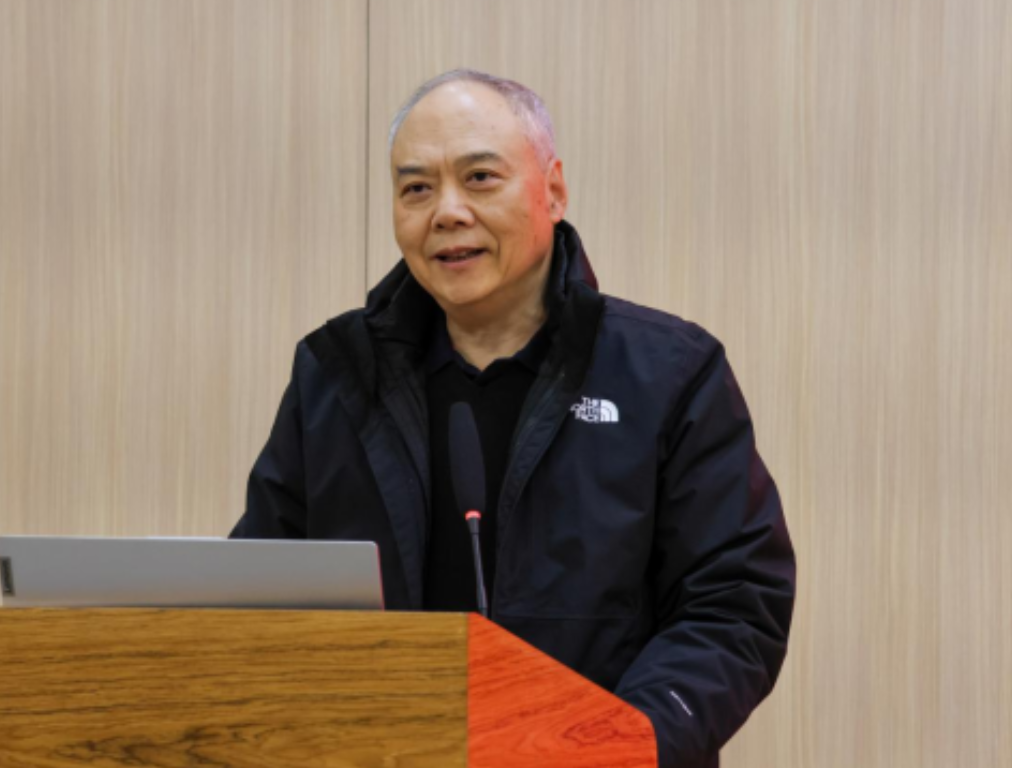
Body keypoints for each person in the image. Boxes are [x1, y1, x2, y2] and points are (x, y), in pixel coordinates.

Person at [231, 69, 796, 768]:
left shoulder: (670, 372)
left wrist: (622, 741)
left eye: (479, 178)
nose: (447, 212)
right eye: (416, 188)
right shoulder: (337, 373)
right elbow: (261, 593)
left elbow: (734, 602)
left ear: (553, 191)